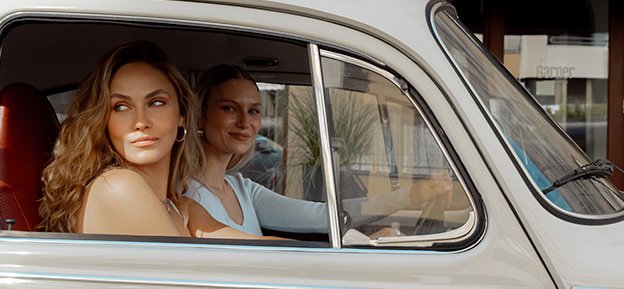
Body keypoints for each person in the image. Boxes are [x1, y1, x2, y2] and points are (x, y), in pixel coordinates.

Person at [186, 64, 453, 239]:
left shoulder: (242, 189)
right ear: (200, 116)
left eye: (254, 111)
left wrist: (410, 196)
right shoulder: (186, 192)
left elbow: (322, 216)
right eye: (229, 108)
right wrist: (356, 245)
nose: (245, 122)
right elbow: (251, 252)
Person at [38, 41, 271, 239]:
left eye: (156, 103)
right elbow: (192, 279)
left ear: (181, 114)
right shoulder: (118, 187)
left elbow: (258, 252)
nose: (140, 121)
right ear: (104, 121)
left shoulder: (176, 204)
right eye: (121, 107)